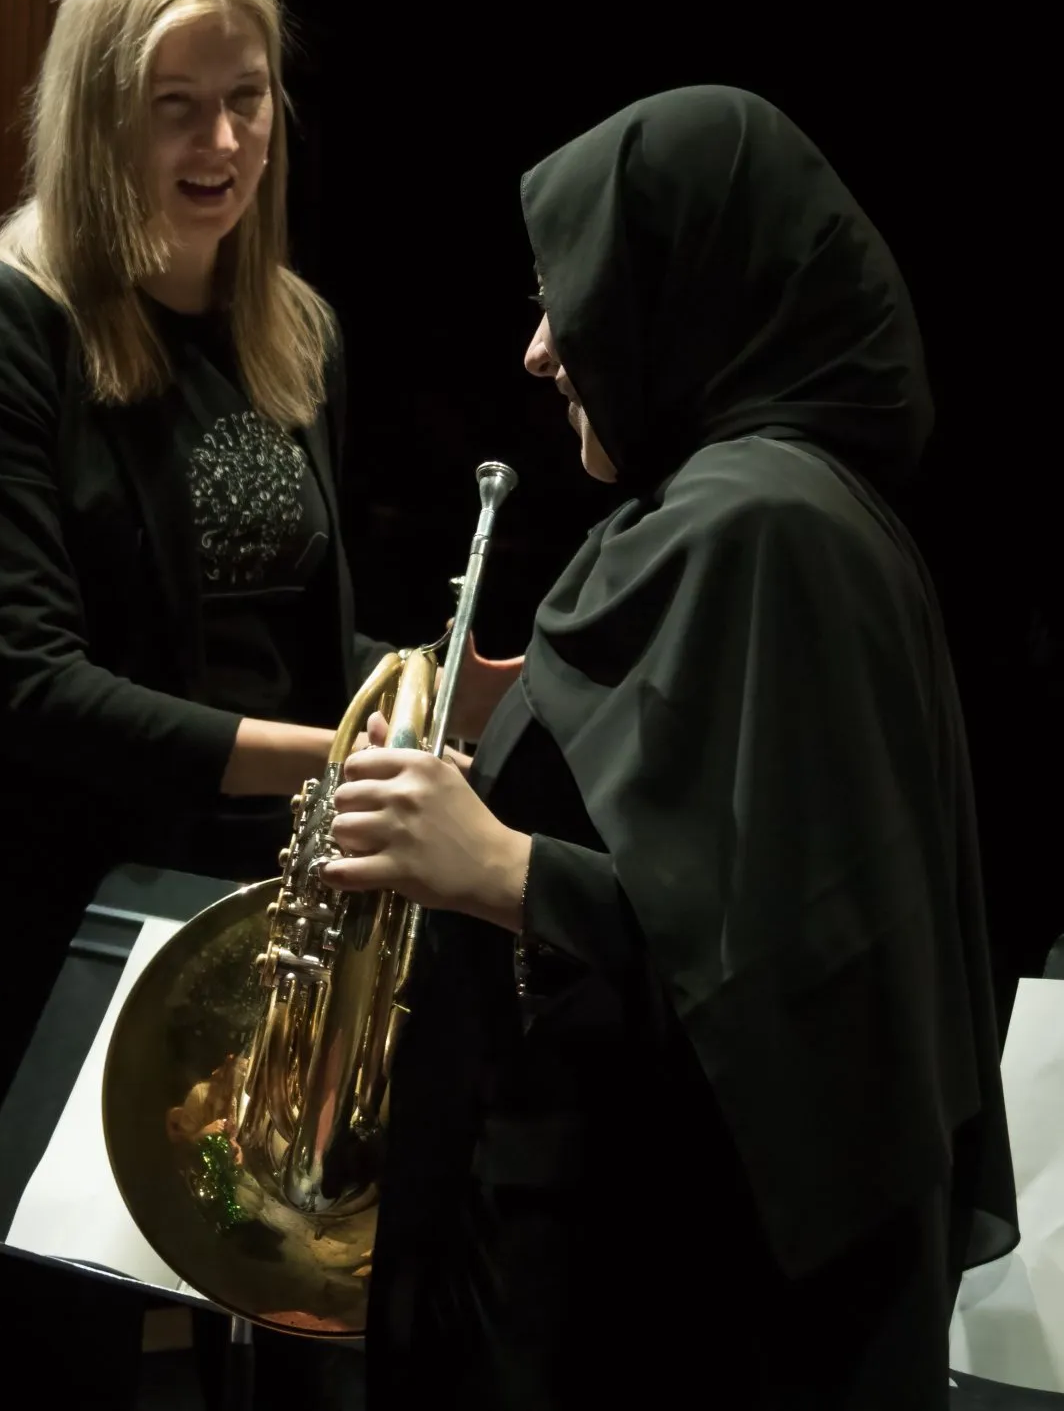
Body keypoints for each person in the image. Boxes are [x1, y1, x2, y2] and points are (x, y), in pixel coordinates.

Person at [0, 0, 519, 1409]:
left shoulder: (294, 331)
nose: (223, 142)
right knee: (78, 1370)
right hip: (62, 912)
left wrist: (434, 685)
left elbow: (288, 644)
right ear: (98, 116)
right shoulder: (0, 330)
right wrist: (344, 759)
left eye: (247, 99)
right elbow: (30, 680)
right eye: (178, 106)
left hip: (265, 917)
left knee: (298, 1340)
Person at [320, 85, 1019, 1408]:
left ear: (687, 286)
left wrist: (504, 869)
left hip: (672, 1300)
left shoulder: (763, 527)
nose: (539, 349)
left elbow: (800, 973)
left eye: (570, 294)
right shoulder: (746, 510)